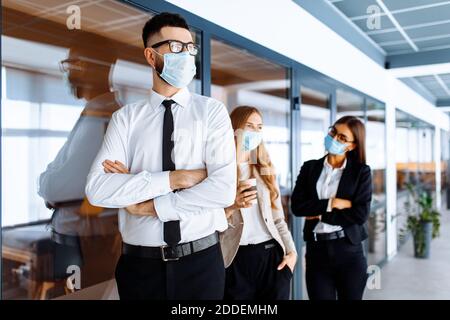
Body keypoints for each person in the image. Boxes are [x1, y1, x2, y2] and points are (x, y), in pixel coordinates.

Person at [85, 12, 236, 300]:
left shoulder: (211, 112)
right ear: (151, 56)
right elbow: (97, 190)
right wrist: (177, 178)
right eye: (176, 47)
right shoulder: (125, 119)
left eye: (190, 48)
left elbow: (223, 190)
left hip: (201, 263)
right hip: (140, 267)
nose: (187, 55)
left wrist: (149, 205)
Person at [38, 31, 122, 290]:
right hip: (80, 239)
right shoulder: (94, 112)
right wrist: (52, 181)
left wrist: (48, 185)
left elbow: (61, 186)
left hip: (87, 243)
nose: (69, 72)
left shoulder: (104, 117)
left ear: (95, 67)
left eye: (74, 63)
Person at [291, 116, 372, 300]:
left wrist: (320, 215)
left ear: (352, 145)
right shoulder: (310, 167)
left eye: (342, 137)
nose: (334, 138)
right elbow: (297, 206)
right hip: (316, 249)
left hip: (349, 251)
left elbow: (360, 214)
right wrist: (332, 203)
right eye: (333, 132)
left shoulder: (361, 172)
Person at [221, 106, 297, 300]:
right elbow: (206, 222)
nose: (255, 132)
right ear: (234, 129)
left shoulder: (265, 168)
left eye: (259, 127)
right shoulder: (218, 171)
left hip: (271, 256)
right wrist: (231, 207)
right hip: (234, 259)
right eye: (249, 126)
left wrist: (292, 253)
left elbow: (278, 218)